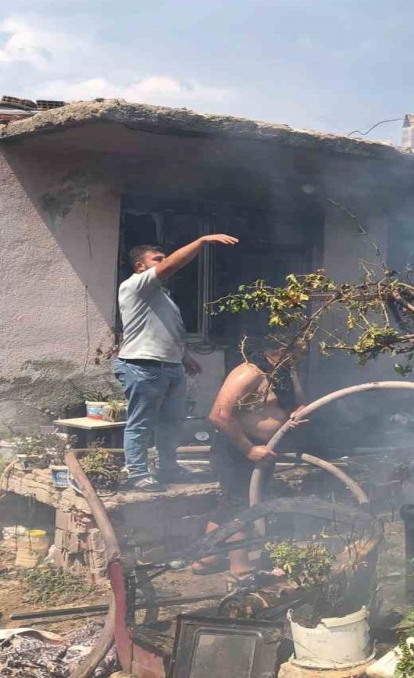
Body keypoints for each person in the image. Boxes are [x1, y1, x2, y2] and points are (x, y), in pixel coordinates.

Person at [115, 234, 240, 492]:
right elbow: (171, 265)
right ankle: (137, 474)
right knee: (141, 422)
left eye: (163, 258)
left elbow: (167, 330)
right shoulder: (135, 285)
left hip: (170, 366)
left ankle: (168, 468)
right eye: (157, 259)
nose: (163, 262)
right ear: (140, 266)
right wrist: (201, 241)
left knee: (171, 422)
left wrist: (184, 357)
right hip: (143, 365)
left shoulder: (163, 296)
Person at [197, 336, 307, 577]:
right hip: (236, 448)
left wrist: (297, 414)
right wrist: (248, 449)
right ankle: (240, 567)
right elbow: (218, 415)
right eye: (300, 348)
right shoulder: (249, 373)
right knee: (241, 506)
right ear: (280, 348)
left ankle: (207, 557)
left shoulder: (286, 372)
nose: (304, 354)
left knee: (232, 503)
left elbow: (299, 404)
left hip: (263, 448)